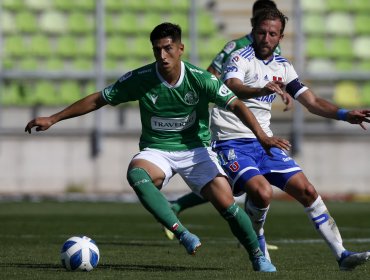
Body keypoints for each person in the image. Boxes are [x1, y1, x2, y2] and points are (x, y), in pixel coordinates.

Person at [24, 22, 293, 272]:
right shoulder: (141, 78)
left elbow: (235, 103)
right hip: (157, 149)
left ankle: (257, 256)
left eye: (168, 49)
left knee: (227, 205)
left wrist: (262, 137)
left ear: (180, 49)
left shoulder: (200, 78)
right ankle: (182, 233)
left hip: (195, 149)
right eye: (157, 49)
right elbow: (99, 99)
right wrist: (53, 118)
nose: (162, 55)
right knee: (136, 174)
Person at [165, 7, 370, 271]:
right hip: (231, 142)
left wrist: (345, 114)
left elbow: (312, 101)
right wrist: (262, 88)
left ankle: (342, 255)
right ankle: (259, 240)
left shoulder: (283, 67)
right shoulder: (240, 57)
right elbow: (234, 87)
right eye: (261, 32)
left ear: (280, 38)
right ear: (254, 32)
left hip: (265, 142)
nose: (266, 38)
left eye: (272, 33)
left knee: (307, 191)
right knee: (262, 193)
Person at [163, 0, 287, 255]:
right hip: (230, 124)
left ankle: (248, 236)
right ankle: (252, 239)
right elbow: (210, 74)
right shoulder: (236, 47)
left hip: (252, 127)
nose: (265, 33)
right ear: (254, 22)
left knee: (238, 183)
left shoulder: (273, 48)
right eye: (260, 22)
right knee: (230, 183)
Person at [207, 0, 281, 79]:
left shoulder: (276, 47)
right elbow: (210, 76)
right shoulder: (237, 46)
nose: (267, 23)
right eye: (261, 18)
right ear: (253, 21)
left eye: (271, 18)